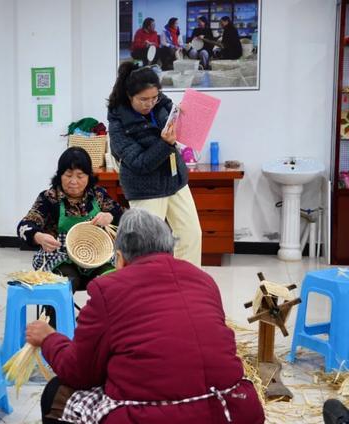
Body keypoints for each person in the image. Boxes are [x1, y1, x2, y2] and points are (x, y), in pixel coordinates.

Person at [27, 208, 265, 424]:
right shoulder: (204, 280)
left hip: (158, 417)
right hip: (236, 409)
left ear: (119, 258)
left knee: (56, 393)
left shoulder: (107, 289)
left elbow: (79, 373)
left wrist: (50, 339)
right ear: (169, 248)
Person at [108, 63, 202, 267]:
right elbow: (140, 163)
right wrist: (165, 143)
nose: (149, 103)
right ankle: (149, 291)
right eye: (143, 99)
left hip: (175, 181)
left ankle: (187, 285)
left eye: (154, 97)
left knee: (191, 235)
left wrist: (184, 114)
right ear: (129, 95)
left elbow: (173, 112)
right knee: (147, 248)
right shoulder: (117, 124)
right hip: (145, 189)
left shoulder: (161, 102)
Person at [17, 147, 123, 321]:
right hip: (61, 259)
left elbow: (124, 216)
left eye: (80, 176)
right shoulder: (49, 198)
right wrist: (39, 236)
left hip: (97, 258)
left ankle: (102, 329)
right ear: (60, 175)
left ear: (89, 176)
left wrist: (110, 216)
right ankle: (55, 333)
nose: (73, 181)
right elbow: (24, 226)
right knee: (63, 285)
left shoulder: (98, 195)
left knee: (113, 282)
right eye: (68, 175)